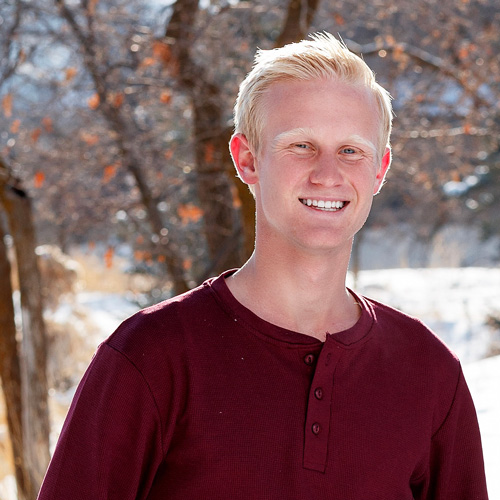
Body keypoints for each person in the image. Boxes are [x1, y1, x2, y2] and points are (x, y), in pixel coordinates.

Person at [37, 33, 488, 500]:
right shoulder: (150, 357)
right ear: (247, 160)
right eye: (301, 146)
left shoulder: (429, 372)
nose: (328, 174)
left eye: (352, 150)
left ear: (380, 170)